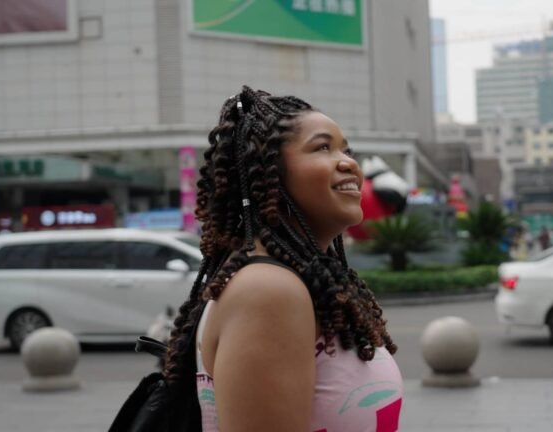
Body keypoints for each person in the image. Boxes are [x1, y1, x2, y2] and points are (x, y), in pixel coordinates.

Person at [163, 86, 403, 431]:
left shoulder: (293, 281)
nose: (349, 163)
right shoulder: (267, 290)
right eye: (322, 147)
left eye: (347, 150)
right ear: (269, 171)